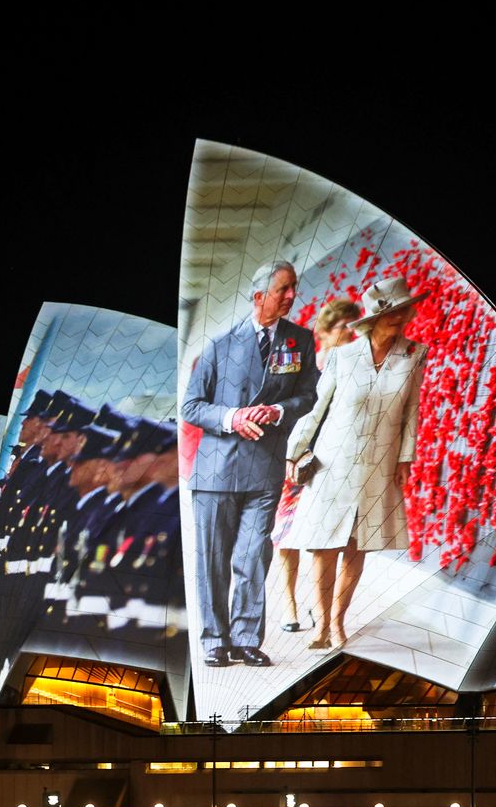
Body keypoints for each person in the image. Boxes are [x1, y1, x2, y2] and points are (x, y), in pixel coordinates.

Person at [181, 260, 319, 667]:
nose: (292, 296)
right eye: (284, 289)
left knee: (252, 556)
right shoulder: (220, 345)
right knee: (213, 558)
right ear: (260, 296)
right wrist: (232, 418)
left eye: (294, 287)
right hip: (215, 471)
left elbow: (307, 396)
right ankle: (214, 639)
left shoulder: (301, 341)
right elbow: (191, 405)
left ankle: (245, 638)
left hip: (264, 468)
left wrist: (277, 410)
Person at [283, 277, 429, 650]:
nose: (399, 319)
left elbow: (412, 411)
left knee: (356, 545)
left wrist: (405, 458)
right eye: (391, 313)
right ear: (373, 320)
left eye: (402, 312)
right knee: (323, 545)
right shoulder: (343, 356)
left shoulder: (415, 354)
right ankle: (319, 627)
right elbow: (317, 409)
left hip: (378, 464)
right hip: (334, 461)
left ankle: (337, 621)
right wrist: (294, 450)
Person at [271, 297, 361, 632]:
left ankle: (315, 603)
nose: (351, 333)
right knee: (285, 535)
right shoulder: (303, 367)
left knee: (320, 536)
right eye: (344, 327)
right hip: (295, 458)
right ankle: (290, 605)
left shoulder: (353, 367)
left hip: (329, 463)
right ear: (325, 330)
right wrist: (287, 453)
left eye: (354, 326)